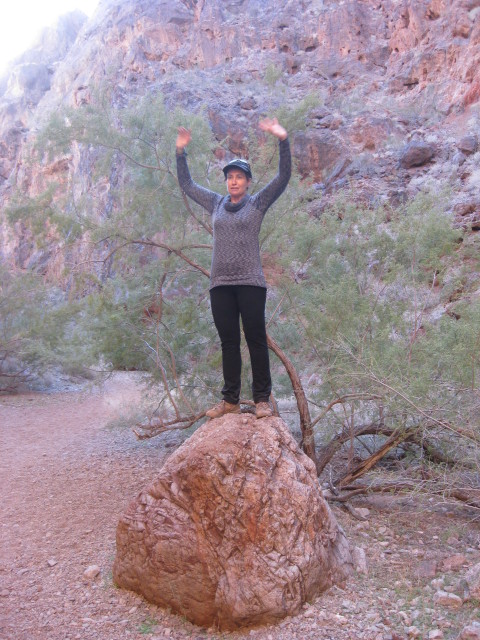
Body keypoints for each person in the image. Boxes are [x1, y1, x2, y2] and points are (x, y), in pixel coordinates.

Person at [176, 118, 291, 419]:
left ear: (248, 182)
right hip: (221, 285)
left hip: (251, 283)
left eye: (239, 177)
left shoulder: (257, 204)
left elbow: (283, 177)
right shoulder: (215, 203)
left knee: (255, 340)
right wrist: (180, 153)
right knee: (228, 342)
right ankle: (230, 401)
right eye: (230, 177)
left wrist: (283, 139)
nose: (234, 181)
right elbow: (187, 185)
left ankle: (262, 400)